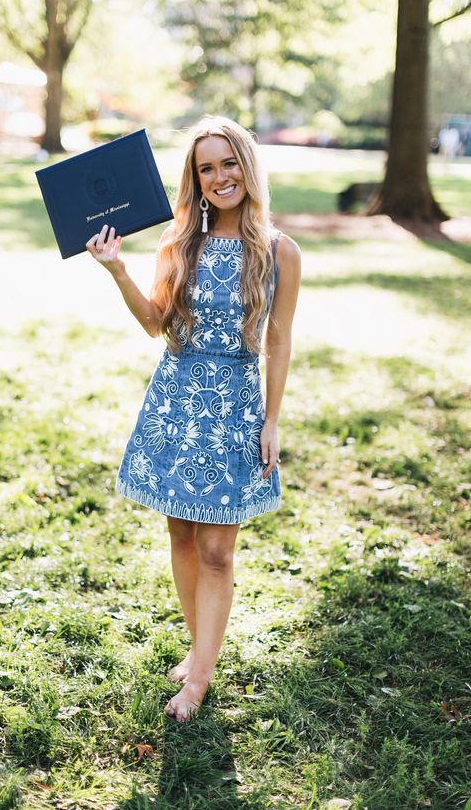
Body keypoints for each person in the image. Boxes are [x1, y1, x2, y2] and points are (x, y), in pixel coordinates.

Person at [86, 115, 301, 722]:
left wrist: (271, 421)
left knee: (217, 550)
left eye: (228, 162)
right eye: (206, 167)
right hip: (177, 400)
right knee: (181, 534)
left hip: (235, 404)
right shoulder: (179, 244)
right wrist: (117, 270)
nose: (219, 176)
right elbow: (155, 323)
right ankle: (200, 648)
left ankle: (199, 679)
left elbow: (279, 340)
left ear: (247, 166)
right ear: (195, 178)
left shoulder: (279, 250)